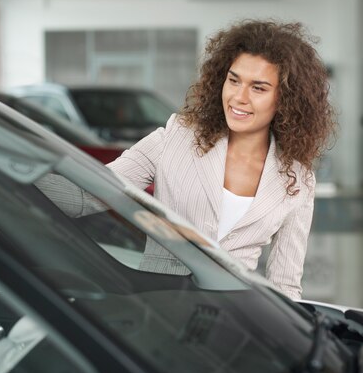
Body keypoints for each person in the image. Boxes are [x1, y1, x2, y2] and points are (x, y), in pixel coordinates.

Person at [105, 19, 336, 300]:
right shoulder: (176, 137)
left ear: (285, 99)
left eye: (258, 88)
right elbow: (92, 190)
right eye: (234, 80)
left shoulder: (298, 181)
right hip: (157, 306)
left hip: (233, 317)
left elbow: (285, 286)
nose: (239, 97)